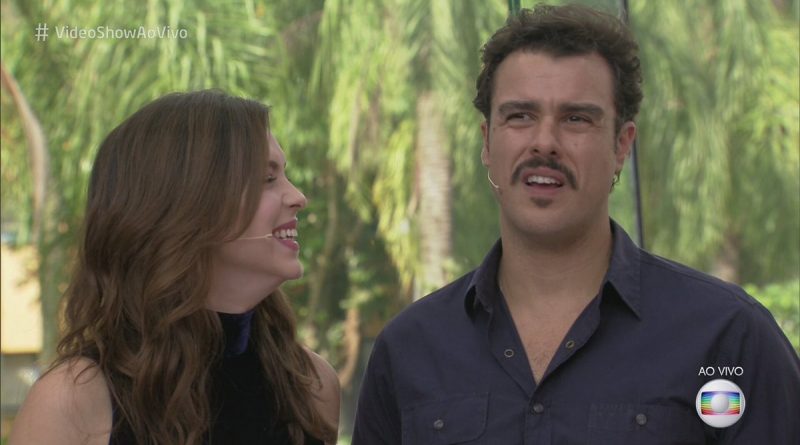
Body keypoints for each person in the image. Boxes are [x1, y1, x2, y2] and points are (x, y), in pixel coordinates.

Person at [352, 4, 800, 444]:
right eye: (520, 115)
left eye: (576, 118)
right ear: (487, 142)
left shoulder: (727, 337)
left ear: (621, 146)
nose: (544, 143)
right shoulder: (410, 351)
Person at [10, 90, 340, 445]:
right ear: (186, 205)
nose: (299, 197)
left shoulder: (311, 386)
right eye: (267, 179)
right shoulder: (74, 401)